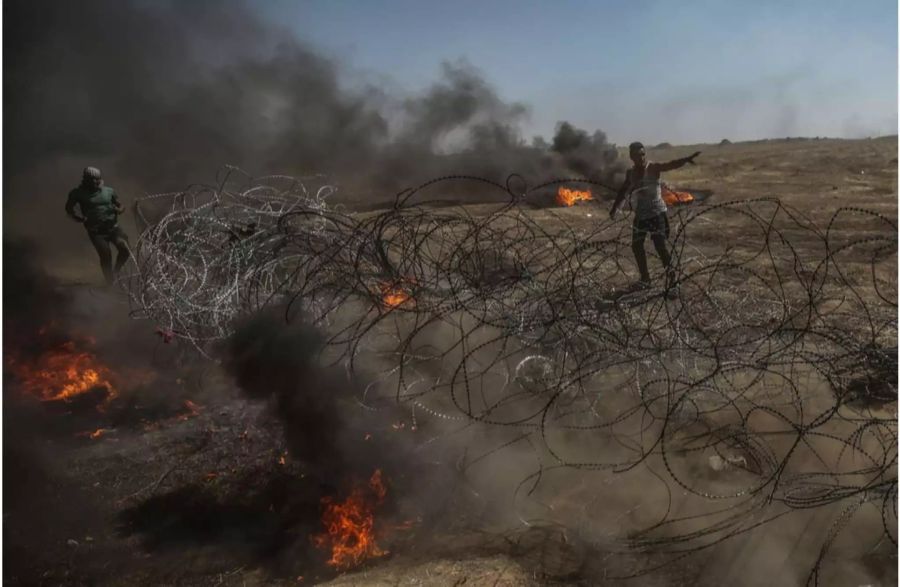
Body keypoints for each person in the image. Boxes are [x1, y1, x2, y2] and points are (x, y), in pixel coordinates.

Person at [609, 142, 700, 295]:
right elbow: (624, 191)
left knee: (660, 247)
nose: (641, 157)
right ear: (632, 157)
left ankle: (672, 281)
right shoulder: (630, 173)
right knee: (636, 246)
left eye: (643, 154)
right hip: (641, 215)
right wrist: (615, 208)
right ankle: (645, 279)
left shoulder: (652, 168)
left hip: (657, 213)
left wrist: (686, 159)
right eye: (638, 155)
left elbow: (670, 165)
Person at [65, 167, 130, 285]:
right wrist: (78, 218)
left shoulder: (109, 191)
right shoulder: (78, 193)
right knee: (106, 255)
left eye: (97, 179)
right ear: (86, 180)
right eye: (92, 180)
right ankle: (110, 282)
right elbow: (69, 209)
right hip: (96, 232)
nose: (96, 182)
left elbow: (121, 205)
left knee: (125, 249)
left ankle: (116, 272)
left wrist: (119, 210)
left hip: (113, 228)